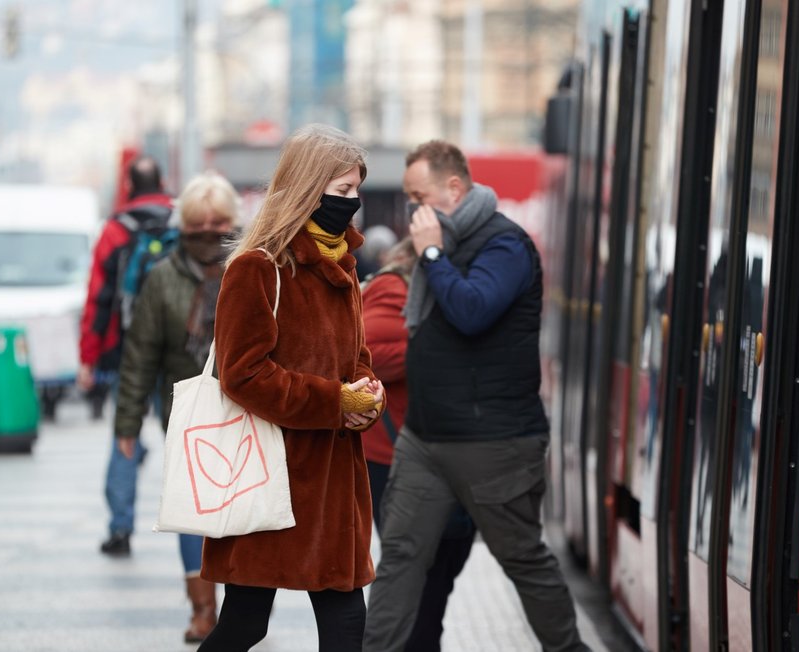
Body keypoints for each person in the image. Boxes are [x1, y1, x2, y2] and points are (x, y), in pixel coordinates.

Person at [364, 140, 588, 651]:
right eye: (409, 199)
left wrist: (434, 254)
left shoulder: (503, 244)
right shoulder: (437, 244)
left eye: (420, 196)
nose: (413, 210)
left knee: (522, 558)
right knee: (400, 558)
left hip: (495, 441)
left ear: (455, 188)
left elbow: (472, 310)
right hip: (425, 438)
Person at [197, 123, 384, 652]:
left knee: (347, 626)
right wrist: (334, 401)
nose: (353, 202)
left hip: (332, 483)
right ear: (308, 187)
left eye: (356, 190)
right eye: (343, 190)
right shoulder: (258, 269)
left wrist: (368, 398)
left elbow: (359, 362)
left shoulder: (342, 267)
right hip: (268, 477)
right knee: (245, 625)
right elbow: (243, 374)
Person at [112, 171, 238, 642]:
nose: (209, 232)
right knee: (193, 513)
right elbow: (139, 354)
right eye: (199, 223)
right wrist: (126, 425)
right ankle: (203, 609)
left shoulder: (250, 266)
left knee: (243, 511)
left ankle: (241, 609)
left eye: (219, 222)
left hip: (245, 409)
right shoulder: (162, 277)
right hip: (183, 415)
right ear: (183, 224)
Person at [360, 236, 476, 651]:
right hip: (395, 458)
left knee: (435, 578)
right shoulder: (395, 287)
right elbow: (368, 351)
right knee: (416, 581)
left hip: (438, 456)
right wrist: (444, 347)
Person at [77, 155, 175, 556]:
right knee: (184, 438)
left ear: (130, 187)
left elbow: (98, 299)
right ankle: (204, 526)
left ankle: (120, 529)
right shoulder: (182, 221)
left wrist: (88, 357)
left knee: (124, 434)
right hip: (177, 352)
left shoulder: (115, 230)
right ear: (162, 182)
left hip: (126, 351)